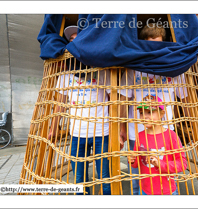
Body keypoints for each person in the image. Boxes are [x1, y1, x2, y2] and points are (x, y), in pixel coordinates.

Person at [119, 23, 188, 195]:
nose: (153, 47)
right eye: (148, 42)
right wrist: (121, 129)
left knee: (167, 176)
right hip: (138, 133)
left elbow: (185, 98)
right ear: (142, 44)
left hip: (166, 132)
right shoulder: (133, 68)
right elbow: (122, 99)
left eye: (157, 42)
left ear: (164, 43)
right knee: (138, 179)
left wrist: (191, 125)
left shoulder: (175, 68)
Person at [48, 25, 111, 195]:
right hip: (77, 133)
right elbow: (60, 102)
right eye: (71, 40)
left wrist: (118, 128)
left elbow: (114, 100)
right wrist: (54, 127)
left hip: (101, 132)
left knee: (105, 177)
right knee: (79, 179)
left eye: (78, 39)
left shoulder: (102, 70)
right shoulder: (66, 75)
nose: (74, 43)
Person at [127, 95, 187, 195]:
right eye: (141, 113)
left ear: (161, 114)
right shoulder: (140, 136)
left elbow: (182, 163)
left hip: (167, 191)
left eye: (150, 112)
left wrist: (161, 164)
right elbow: (136, 163)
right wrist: (132, 160)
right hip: (145, 190)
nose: (145, 116)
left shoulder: (171, 136)